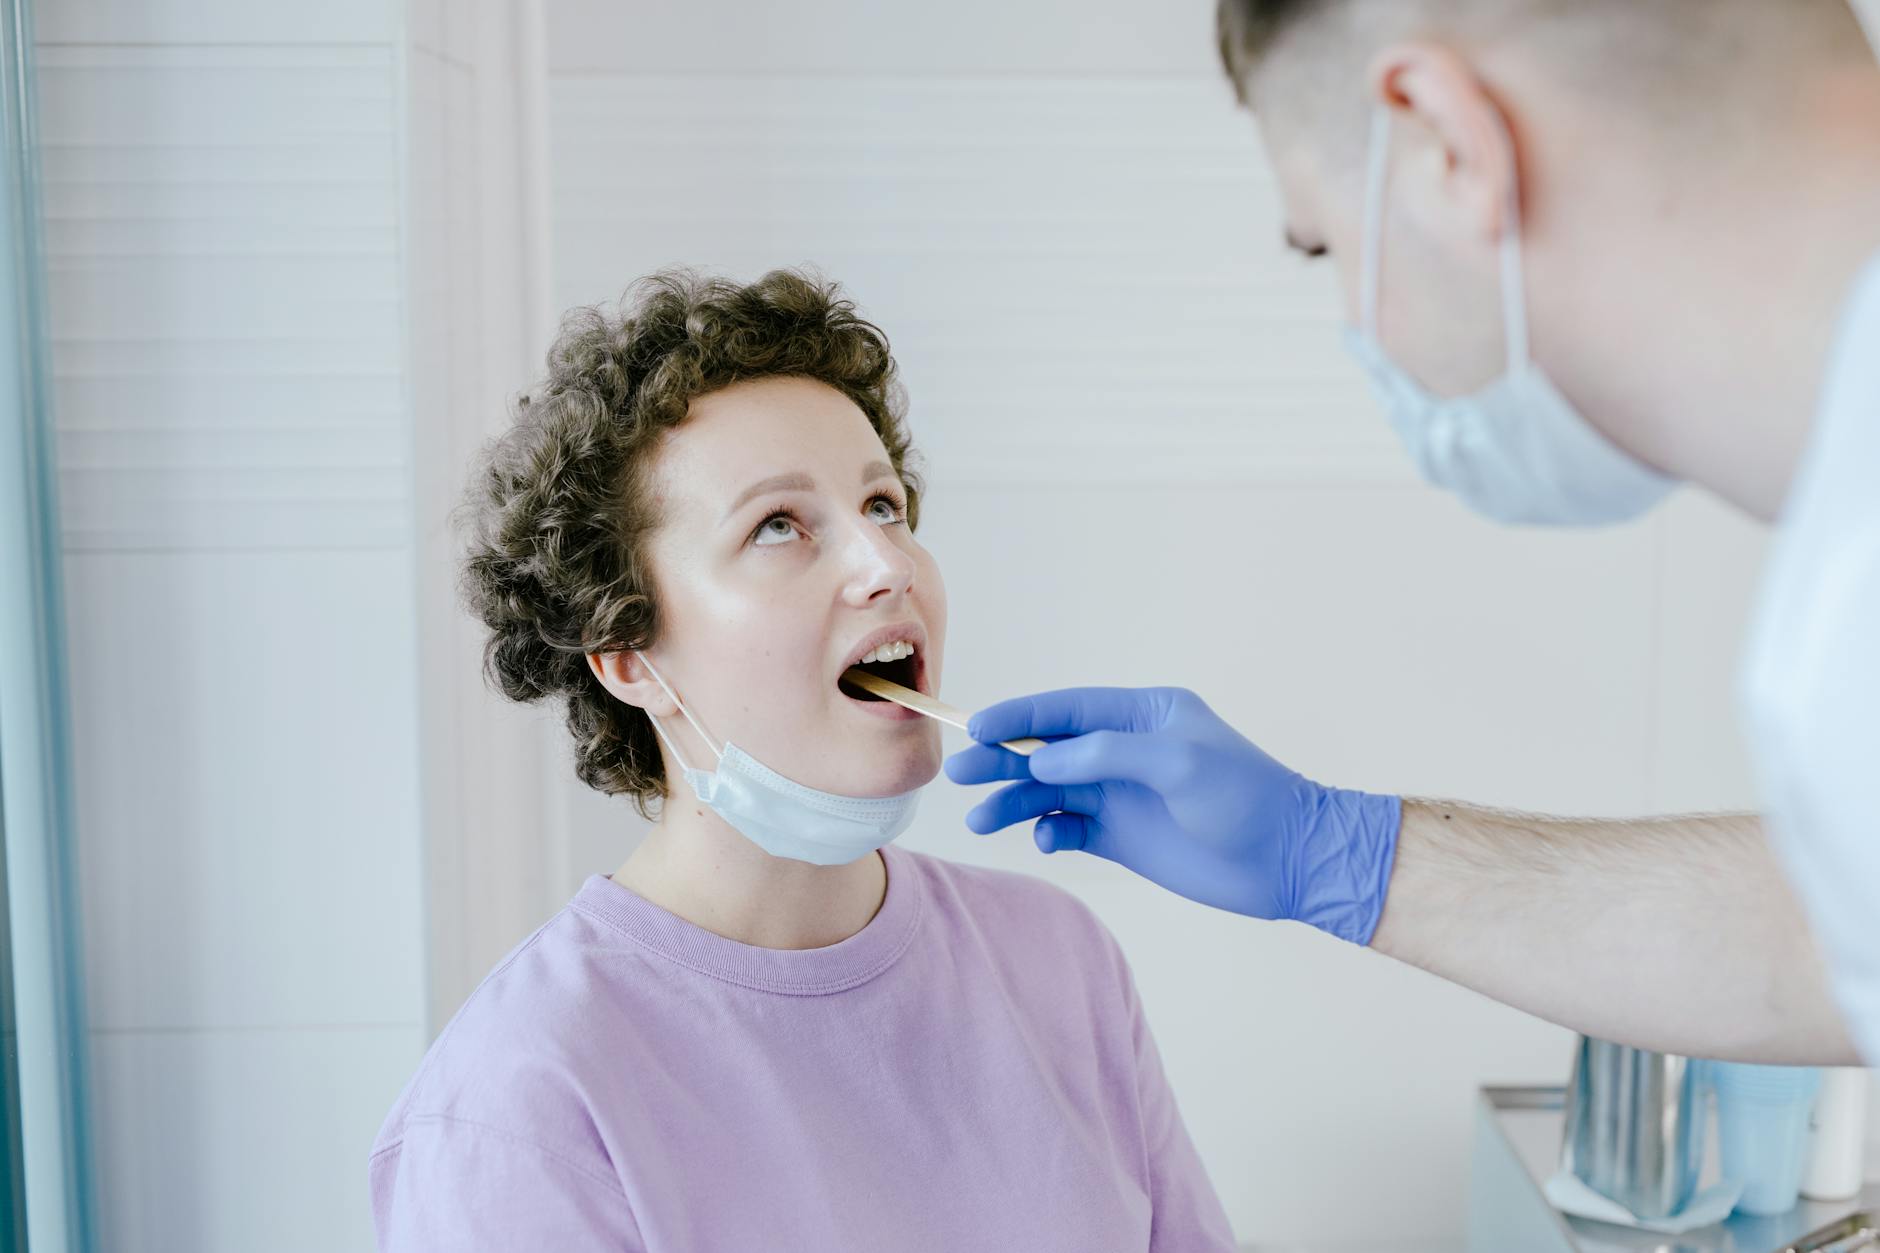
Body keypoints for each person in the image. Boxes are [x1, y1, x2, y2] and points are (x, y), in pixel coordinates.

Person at [950, 0, 1880, 1066]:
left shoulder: (1853, 616)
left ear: (1442, 141)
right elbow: (1825, 939)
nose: (1358, 317)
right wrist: (1338, 854)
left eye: (1325, 245)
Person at [367, 270, 1236, 1251]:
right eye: (778, 524)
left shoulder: (1060, 962)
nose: (885, 563)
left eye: (884, 503)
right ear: (627, 654)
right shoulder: (522, 1103)